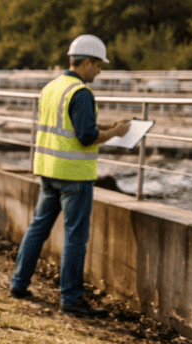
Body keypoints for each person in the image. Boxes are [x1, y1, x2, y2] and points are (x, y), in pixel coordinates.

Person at [9, 35, 130, 318]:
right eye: (98, 65)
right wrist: (115, 133)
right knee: (75, 237)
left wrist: (107, 125)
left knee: (37, 228)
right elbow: (85, 136)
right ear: (86, 62)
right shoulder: (81, 92)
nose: (99, 71)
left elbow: (69, 123)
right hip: (74, 175)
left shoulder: (52, 87)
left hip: (48, 170)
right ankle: (72, 298)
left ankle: (19, 284)